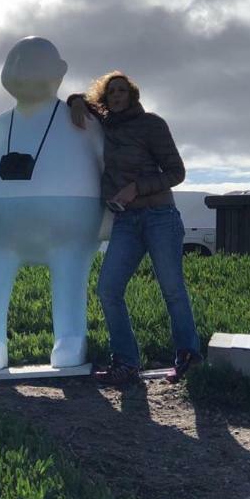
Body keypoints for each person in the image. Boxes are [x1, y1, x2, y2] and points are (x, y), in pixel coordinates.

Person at [69, 71, 201, 385]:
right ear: (104, 97)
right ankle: (126, 364)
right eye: (111, 91)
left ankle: (189, 357)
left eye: (122, 91)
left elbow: (176, 172)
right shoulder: (105, 125)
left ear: (132, 95)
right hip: (126, 221)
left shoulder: (152, 124)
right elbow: (80, 102)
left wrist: (136, 188)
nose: (116, 95)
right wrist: (75, 101)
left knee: (172, 290)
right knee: (108, 289)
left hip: (159, 216)